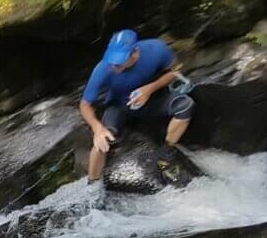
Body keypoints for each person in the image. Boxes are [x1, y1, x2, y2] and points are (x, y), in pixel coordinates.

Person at [79, 29, 195, 182]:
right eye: (111, 60)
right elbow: (85, 104)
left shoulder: (156, 49)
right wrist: (97, 128)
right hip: (119, 105)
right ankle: (92, 183)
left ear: (134, 54)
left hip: (152, 98)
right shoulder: (103, 68)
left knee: (185, 106)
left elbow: (175, 71)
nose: (114, 66)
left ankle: (166, 152)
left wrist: (150, 88)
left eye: (119, 62)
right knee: (102, 140)